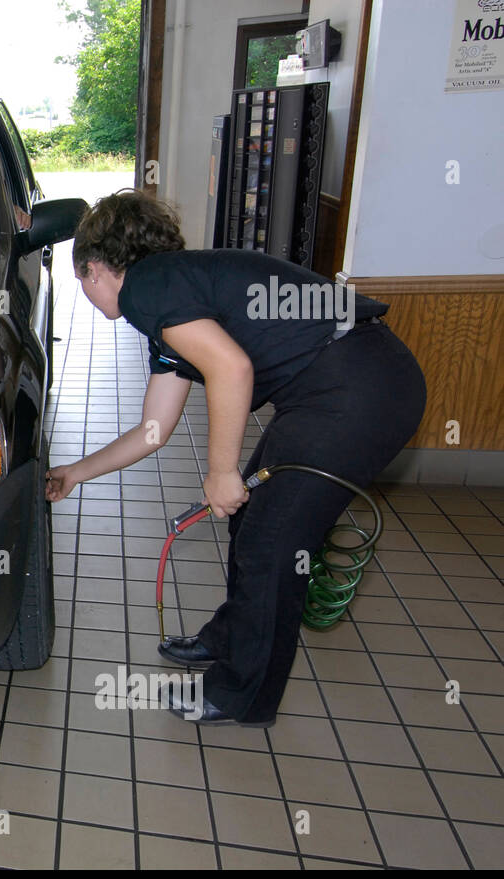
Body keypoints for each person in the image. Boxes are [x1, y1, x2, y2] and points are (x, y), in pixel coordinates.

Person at [46, 189, 426, 727]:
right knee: (254, 520)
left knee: (272, 542)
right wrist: (75, 473)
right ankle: (225, 641)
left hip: (354, 389)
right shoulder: (174, 297)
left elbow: (232, 369)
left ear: (95, 268)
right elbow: (154, 429)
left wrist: (221, 472)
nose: (85, 292)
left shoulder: (148, 288)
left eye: (81, 280)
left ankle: (238, 696)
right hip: (359, 379)